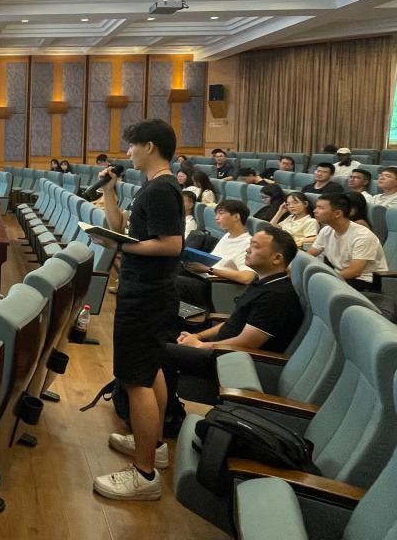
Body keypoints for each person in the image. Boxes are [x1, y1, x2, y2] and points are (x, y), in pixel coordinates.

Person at [91, 119, 183, 501]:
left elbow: (172, 244)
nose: (127, 152)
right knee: (150, 370)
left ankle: (144, 474)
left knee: (135, 380)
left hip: (147, 295)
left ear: (149, 146)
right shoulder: (151, 186)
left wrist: (120, 247)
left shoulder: (162, 189)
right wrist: (109, 192)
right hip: (145, 292)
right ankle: (154, 445)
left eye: (132, 145)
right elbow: (121, 226)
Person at [163, 227, 301, 407]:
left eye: (255, 246)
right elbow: (233, 322)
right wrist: (197, 336)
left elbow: (247, 343)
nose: (248, 250)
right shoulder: (262, 283)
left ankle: (167, 413)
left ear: (277, 258)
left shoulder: (277, 296)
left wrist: (201, 345)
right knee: (158, 333)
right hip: (218, 347)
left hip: (225, 357)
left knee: (156, 350)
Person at [176, 199, 256, 310]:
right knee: (166, 271)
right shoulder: (227, 236)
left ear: (236, 217)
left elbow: (247, 278)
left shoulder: (246, 243)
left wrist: (209, 270)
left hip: (214, 287)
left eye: (221, 213)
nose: (216, 218)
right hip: (203, 277)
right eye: (216, 214)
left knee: (171, 282)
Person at [308, 194, 387, 290]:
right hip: (341, 276)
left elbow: (354, 271)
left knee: (317, 287)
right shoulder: (326, 231)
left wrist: (325, 278)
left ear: (337, 213)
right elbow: (310, 254)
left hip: (363, 282)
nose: (315, 211)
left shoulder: (363, 236)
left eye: (320, 208)